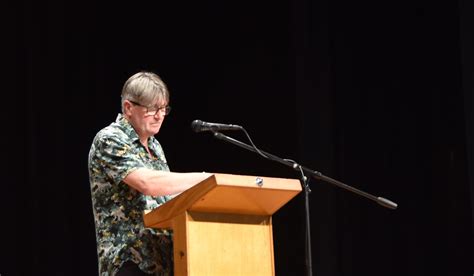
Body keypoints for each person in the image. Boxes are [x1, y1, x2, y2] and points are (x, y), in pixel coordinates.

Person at [88, 71, 210, 276]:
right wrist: (203, 179)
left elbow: (167, 198)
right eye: (152, 108)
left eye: (163, 108)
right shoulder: (109, 139)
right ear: (128, 107)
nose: (160, 115)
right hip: (130, 261)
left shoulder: (154, 146)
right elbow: (147, 183)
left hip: (164, 262)